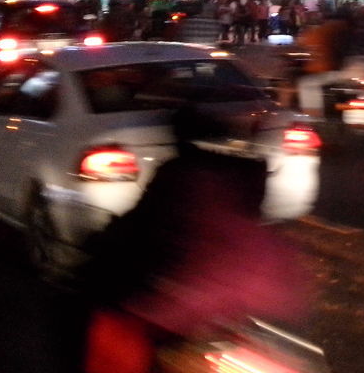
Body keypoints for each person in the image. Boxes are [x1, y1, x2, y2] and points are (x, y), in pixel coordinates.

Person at [79, 104, 310, 373]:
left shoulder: (180, 175)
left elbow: (140, 222)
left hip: (187, 297)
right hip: (262, 291)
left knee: (115, 333)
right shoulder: (248, 175)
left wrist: (103, 241)